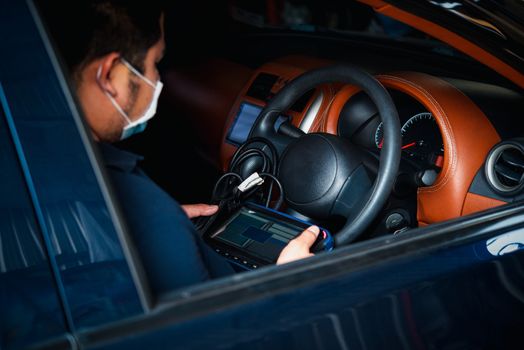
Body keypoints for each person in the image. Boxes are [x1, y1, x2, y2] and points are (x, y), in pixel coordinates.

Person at [41, 0, 320, 297]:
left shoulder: (52, 167)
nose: (157, 79)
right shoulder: (149, 217)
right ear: (109, 76)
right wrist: (288, 282)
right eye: (154, 63)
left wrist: (166, 224)